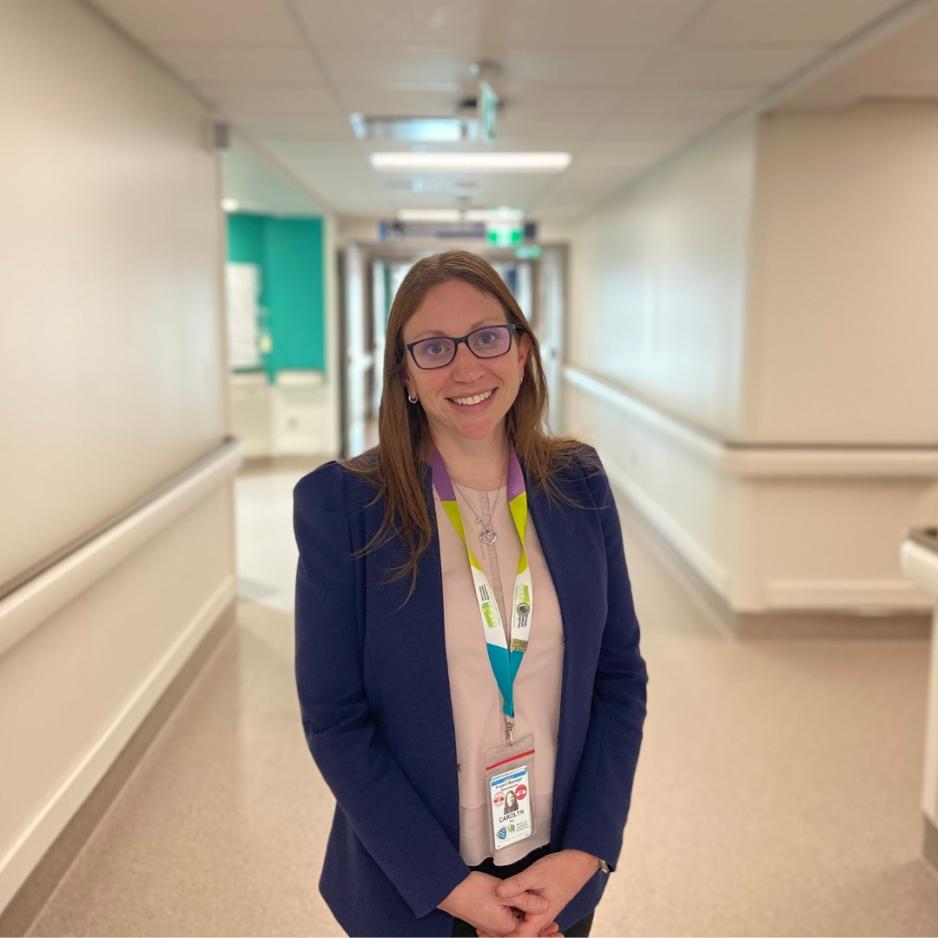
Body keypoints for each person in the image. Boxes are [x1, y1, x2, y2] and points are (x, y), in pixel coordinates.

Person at [293, 250, 647, 938]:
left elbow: (618, 676)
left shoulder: (578, 483)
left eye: (487, 337)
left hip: (554, 875)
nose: (466, 367)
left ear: (521, 350)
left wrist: (585, 852)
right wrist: (452, 888)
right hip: (415, 885)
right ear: (405, 374)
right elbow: (335, 722)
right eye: (432, 348)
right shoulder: (347, 504)